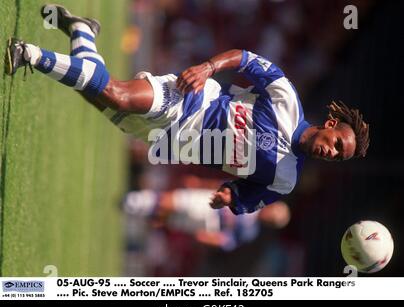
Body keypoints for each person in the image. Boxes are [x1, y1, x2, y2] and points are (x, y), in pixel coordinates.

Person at [6, 4, 370, 215]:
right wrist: (209, 68)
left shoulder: (285, 179)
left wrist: (227, 196)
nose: (331, 152)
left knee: (97, 93)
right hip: (192, 101)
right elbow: (245, 58)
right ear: (331, 124)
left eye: (337, 157)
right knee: (117, 93)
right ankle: (30, 54)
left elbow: (241, 196)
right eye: (338, 143)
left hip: (170, 141)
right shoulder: (287, 99)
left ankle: (82, 31)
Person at [122, 188, 291, 252]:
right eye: (274, 213)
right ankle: (135, 202)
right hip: (210, 204)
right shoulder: (253, 197)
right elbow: (227, 189)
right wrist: (201, 183)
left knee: (168, 218)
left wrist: (206, 238)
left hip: (210, 224)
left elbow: (227, 241)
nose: (270, 217)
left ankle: (136, 212)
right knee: (175, 200)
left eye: (273, 220)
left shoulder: (249, 232)